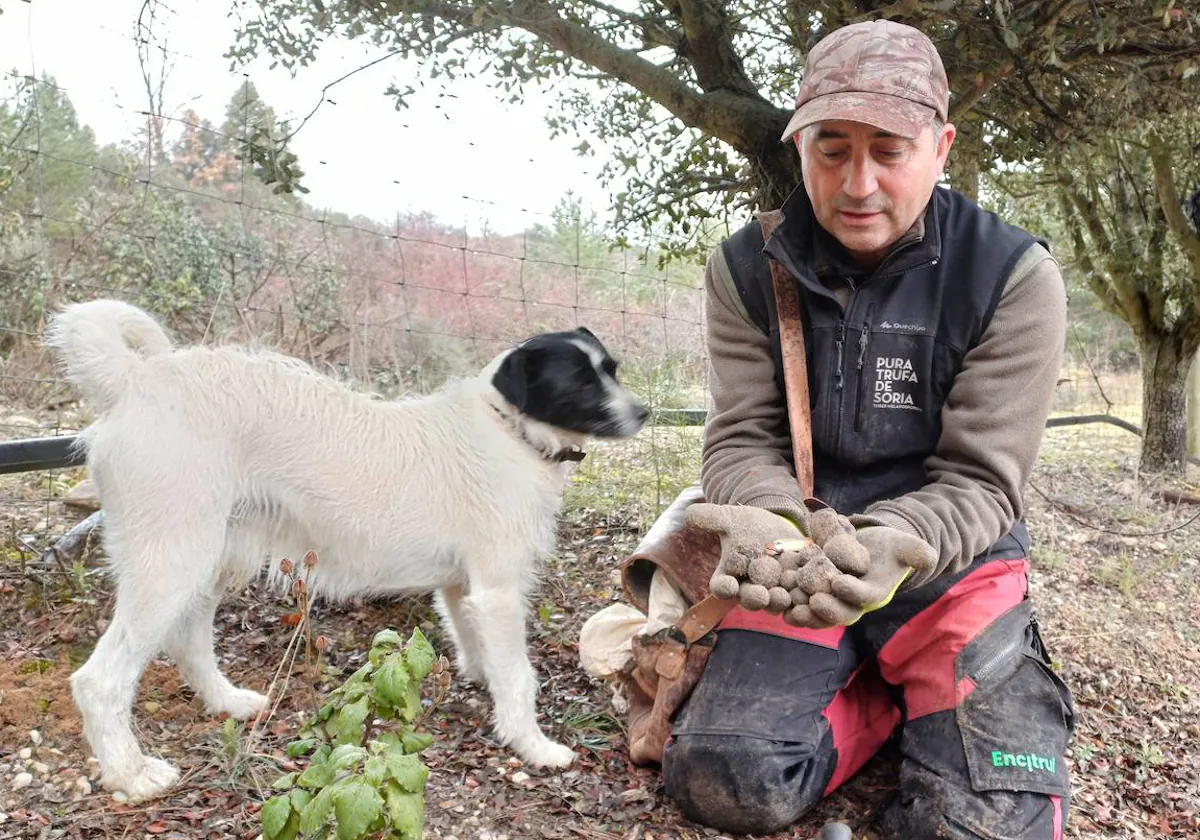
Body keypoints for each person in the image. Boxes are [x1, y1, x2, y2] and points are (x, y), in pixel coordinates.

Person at [582, 17, 1076, 840]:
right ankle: (883, 697)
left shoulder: (1013, 277)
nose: (858, 183)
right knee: (726, 782)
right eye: (832, 148)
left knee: (989, 826)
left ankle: (921, 680)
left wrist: (899, 544)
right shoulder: (746, 267)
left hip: (947, 560)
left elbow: (984, 480)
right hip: (804, 559)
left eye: (889, 149)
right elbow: (740, 438)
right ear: (800, 144)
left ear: (941, 146)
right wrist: (773, 529)